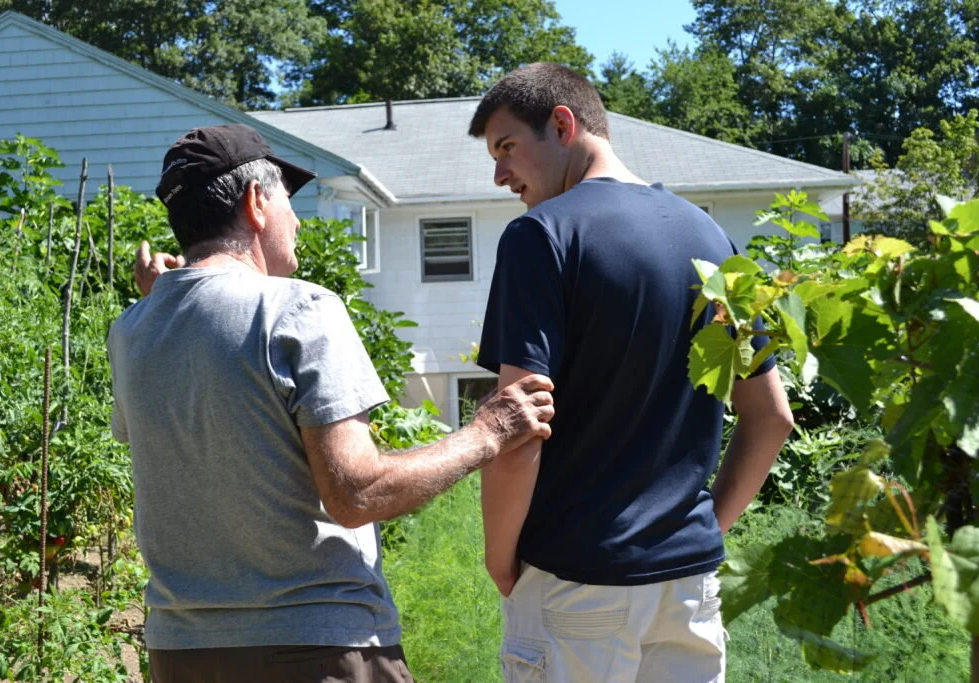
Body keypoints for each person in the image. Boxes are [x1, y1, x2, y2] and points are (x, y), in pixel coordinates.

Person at [108, 123, 556, 683]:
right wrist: (488, 431)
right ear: (254, 202)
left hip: (180, 652)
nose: (296, 219)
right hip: (316, 649)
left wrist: (161, 301)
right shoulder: (298, 309)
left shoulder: (130, 330)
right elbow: (356, 493)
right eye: (287, 200)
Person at [467, 63, 794, 682]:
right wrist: (697, 531)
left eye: (507, 148)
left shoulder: (541, 237)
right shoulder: (711, 237)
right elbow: (772, 416)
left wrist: (500, 561)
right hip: (688, 588)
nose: (499, 173)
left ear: (563, 125)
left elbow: (518, 426)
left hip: (576, 584)